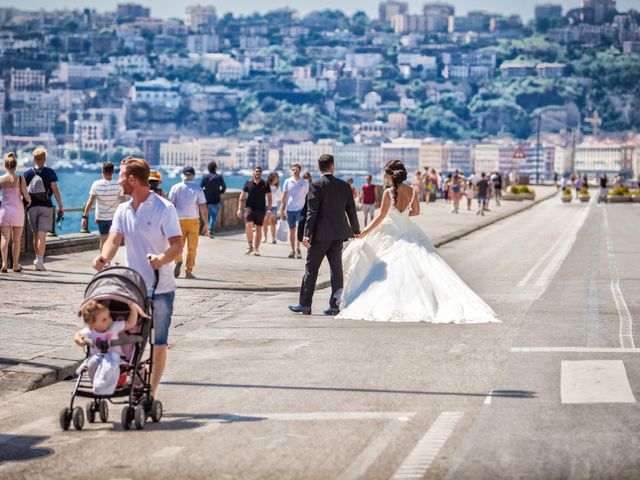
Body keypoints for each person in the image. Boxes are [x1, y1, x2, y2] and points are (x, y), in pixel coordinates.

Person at [335, 160, 498, 324]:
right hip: (408, 229)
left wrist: (365, 232)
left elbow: (381, 217)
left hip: (390, 231)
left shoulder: (388, 192)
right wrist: (402, 215)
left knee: (382, 263)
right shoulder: (411, 190)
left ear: (390, 175)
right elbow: (417, 211)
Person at [92, 157, 183, 399]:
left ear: (132, 180)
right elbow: (114, 239)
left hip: (161, 288)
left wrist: (161, 259)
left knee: (158, 343)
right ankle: (132, 375)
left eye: (121, 176)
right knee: (126, 336)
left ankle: (150, 393)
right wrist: (103, 257)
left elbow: (177, 245)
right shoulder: (123, 210)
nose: (119, 181)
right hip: (133, 289)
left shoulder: (165, 208)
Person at [289, 154, 360, 316]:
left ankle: (305, 304)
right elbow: (351, 210)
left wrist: (306, 235)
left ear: (319, 167)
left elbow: (311, 213)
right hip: (337, 237)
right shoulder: (344, 186)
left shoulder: (316, 186)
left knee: (311, 269)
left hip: (319, 237)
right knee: (336, 270)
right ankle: (335, 305)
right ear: (332, 166)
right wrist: (356, 230)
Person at [74, 299, 139, 395]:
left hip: (115, 358)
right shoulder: (89, 331)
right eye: (104, 319)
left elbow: (131, 323)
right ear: (92, 325)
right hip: (96, 358)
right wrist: (80, 340)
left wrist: (133, 309)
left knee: (112, 358)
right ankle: (98, 385)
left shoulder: (113, 326)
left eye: (109, 316)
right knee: (93, 361)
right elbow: (78, 335)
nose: (109, 319)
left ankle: (102, 386)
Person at [23, 148, 64, 271]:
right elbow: (55, 189)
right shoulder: (50, 172)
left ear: (34, 159)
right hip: (46, 206)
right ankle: (40, 260)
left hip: (32, 207)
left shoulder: (27, 173)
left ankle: (37, 257)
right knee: (42, 235)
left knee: (35, 235)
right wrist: (60, 205)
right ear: (44, 158)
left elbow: (23, 191)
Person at [168, 166, 208, 279]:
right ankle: (188, 271)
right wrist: (206, 223)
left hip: (178, 220)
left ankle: (178, 260)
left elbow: (170, 205)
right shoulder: (198, 189)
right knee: (192, 248)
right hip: (193, 221)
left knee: (178, 245)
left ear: (183, 175)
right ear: (194, 176)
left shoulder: (175, 187)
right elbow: (203, 207)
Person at [82, 162, 126, 250]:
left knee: (103, 239)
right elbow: (124, 202)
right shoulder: (118, 185)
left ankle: (103, 260)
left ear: (102, 171)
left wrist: (84, 216)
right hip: (114, 217)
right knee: (112, 240)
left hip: (101, 217)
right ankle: (108, 260)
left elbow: (90, 201)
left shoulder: (96, 184)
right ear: (113, 172)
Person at [0, 153, 31, 273]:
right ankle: (16, 265)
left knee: (4, 238)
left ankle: (4, 264)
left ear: (6, 166)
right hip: (17, 211)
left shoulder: (1, 179)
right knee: (16, 240)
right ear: (15, 166)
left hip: (4, 211)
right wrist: (29, 200)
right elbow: (26, 195)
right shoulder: (20, 178)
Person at [237, 166, 272, 256]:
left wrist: (269, 209)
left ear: (261, 173)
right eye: (256, 171)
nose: (258, 173)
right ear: (253, 172)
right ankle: (250, 246)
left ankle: (256, 249)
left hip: (261, 209)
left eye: (259, 171)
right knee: (248, 224)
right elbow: (242, 196)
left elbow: (269, 197)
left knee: (259, 228)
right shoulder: (248, 183)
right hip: (249, 208)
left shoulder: (265, 184)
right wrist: (239, 209)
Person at [280, 164, 308, 259]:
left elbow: (308, 197)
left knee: (298, 229)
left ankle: (298, 249)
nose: (294, 171)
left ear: (300, 170)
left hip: (300, 209)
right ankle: (292, 250)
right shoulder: (287, 181)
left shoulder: (304, 182)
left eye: (296, 170)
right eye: (293, 170)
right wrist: (281, 208)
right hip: (289, 209)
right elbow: (284, 195)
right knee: (292, 230)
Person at [200, 161, 226, 238]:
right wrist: (220, 192)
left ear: (208, 168)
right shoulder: (219, 177)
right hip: (216, 200)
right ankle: (210, 231)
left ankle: (206, 231)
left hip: (206, 200)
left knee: (206, 216)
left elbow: (200, 188)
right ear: (215, 168)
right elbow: (224, 187)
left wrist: (205, 192)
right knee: (213, 216)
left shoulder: (205, 177)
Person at [263, 172, 282, 245]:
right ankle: (265, 237)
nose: (277, 179)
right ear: (272, 178)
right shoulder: (266, 186)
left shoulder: (278, 187)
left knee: (273, 222)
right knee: (265, 222)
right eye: (276, 177)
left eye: (278, 177)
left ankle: (273, 238)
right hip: (265, 206)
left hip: (274, 206)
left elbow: (280, 198)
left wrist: (282, 207)